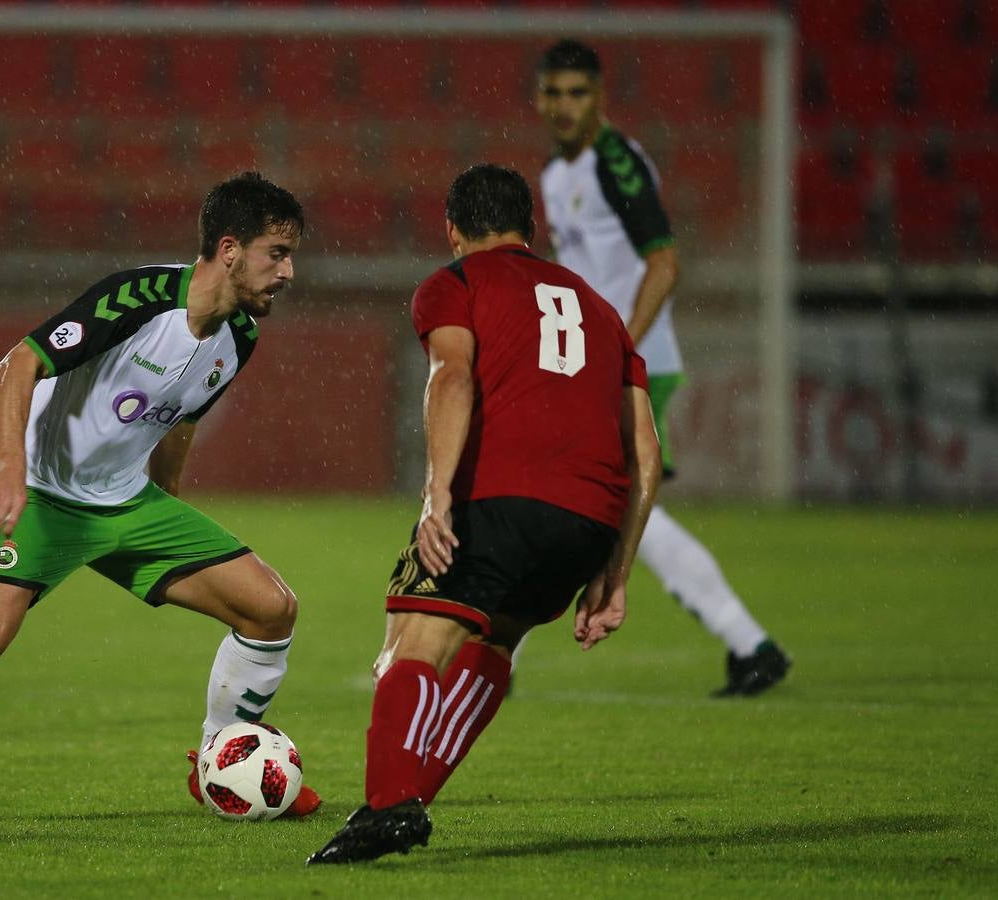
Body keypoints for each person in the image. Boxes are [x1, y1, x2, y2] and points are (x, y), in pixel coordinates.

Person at [0, 171, 320, 830]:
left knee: (271, 610)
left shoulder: (238, 336)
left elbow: (180, 421)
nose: (289, 271)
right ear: (232, 249)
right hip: (43, 493)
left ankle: (219, 764)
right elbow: (18, 364)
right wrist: (10, 471)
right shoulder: (140, 297)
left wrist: (170, 504)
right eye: (278, 252)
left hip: (129, 505)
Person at [308, 164, 662, 865]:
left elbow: (452, 375)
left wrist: (437, 494)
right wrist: (615, 573)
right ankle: (403, 802)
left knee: (411, 641)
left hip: (498, 500)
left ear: (453, 230)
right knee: (492, 643)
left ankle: (386, 808)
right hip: (587, 522)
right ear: (532, 230)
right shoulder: (599, 309)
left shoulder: (456, 283)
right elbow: (646, 451)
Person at [527, 39, 790, 696]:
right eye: (554, 93)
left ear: (600, 97)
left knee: (612, 509)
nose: (565, 106)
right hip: (598, 364)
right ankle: (749, 643)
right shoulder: (558, 176)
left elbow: (665, 262)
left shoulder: (617, 163)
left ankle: (750, 642)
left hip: (635, 364)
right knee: (599, 507)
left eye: (578, 93)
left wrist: (621, 348)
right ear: (538, 98)